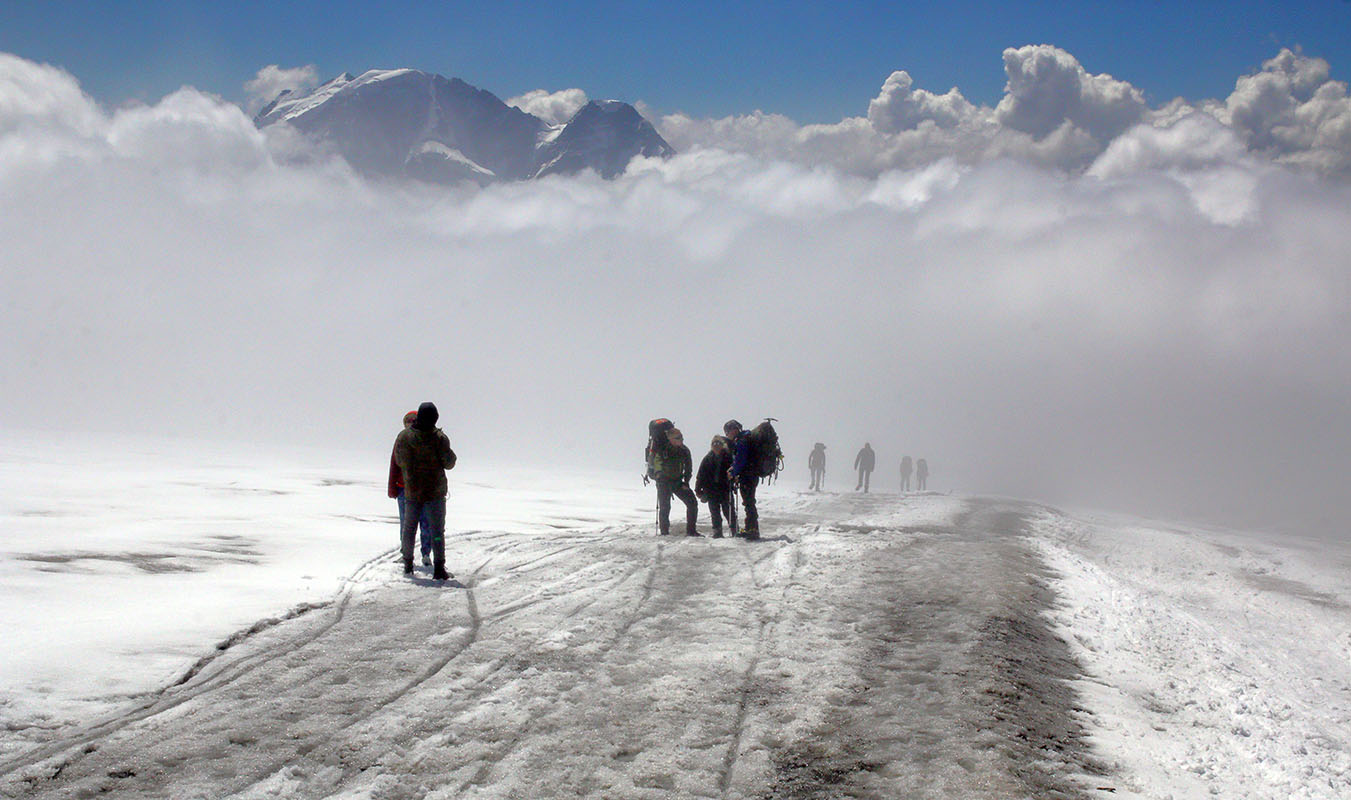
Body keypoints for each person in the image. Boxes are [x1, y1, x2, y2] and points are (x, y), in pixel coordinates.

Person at [392, 402, 457, 580]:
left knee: (409, 528)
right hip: (435, 493)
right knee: (437, 531)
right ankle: (439, 569)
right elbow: (449, 463)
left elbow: (399, 460)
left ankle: (407, 564)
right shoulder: (440, 438)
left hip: (412, 490)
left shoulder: (404, 436)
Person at [388, 410, 435, 567]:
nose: (410, 423)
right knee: (406, 524)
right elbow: (394, 465)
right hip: (403, 489)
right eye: (407, 420)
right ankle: (406, 554)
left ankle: (426, 554)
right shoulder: (401, 439)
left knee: (425, 522)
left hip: (424, 490)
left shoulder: (427, 438)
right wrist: (392, 488)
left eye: (413, 420)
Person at [650, 426, 699, 536]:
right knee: (665, 507)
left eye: (682, 438)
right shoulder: (663, 449)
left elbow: (688, 468)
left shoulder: (684, 450)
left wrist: (686, 482)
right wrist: (659, 474)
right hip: (664, 482)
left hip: (677, 482)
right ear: (670, 439)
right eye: (678, 438)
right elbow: (657, 462)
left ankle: (691, 531)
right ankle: (664, 532)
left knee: (692, 503)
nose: (681, 440)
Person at [725, 420, 760, 539]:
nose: (728, 436)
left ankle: (752, 529)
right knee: (749, 501)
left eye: (727, 432)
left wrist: (733, 472)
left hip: (747, 476)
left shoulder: (742, 441)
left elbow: (740, 460)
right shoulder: (746, 439)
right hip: (752, 475)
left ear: (732, 430)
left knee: (749, 502)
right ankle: (751, 528)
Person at [696, 436, 737, 538]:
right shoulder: (707, 458)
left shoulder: (728, 457)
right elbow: (700, 475)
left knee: (729, 511)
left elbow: (734, 472)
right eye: (714, 444)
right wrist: (698, 489)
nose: (716, 446)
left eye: (718, 443)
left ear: (722, 445)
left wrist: (734, 481)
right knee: (714, 513)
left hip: (725, 489)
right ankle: (717, 532)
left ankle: (734, 530)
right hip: (711, 490)